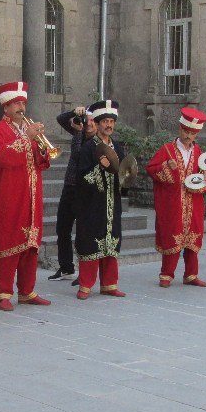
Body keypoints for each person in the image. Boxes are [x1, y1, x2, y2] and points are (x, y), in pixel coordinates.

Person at [0, 81, 52, 311]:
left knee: (30, 246)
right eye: (16, 103)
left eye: (23, 102)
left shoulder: (29, 129)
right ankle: (3, 293)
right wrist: (27, 138)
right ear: (5, 107)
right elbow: (0, 157)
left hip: (32, 196)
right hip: (8, 197)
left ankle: (27, 291)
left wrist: (43, 148)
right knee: (8, 242)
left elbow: (41, 163)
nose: (21, 107)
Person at [146, 107, 206, 288]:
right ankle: (166, 274)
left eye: (192, 133)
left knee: (193, 236)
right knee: (172, 235)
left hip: (194, 203)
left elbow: (202, 172)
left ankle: (191, 275)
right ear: (180, 129)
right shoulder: (167, 149)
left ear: (196, 135)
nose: (188, 136)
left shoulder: (199, 152)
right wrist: (166, 166)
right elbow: (151, 169)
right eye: (185, 131)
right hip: (172, 202)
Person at [74, 100, 126, 299]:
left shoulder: (117, 147)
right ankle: (85, 285)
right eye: (105, 121)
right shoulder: (88, 148)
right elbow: (81, 176)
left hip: (112, 202)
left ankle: (109, 284)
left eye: (112, 121)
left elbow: (124, 172)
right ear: (97, 123)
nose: (109, 125)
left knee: (111, 241)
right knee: (90, 242)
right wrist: (99, 167)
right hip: (92, 204)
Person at [48, 105, 96, 281]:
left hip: (84, 191)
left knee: (83, 232)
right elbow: (61, 119)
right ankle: (66, 267)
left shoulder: (96, 141)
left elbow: (78, 155)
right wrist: (76, 113)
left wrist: (77, 133)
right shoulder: (80, 130)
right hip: (69, 187)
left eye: (92, 120)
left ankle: (85, 272)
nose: (88, 123)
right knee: (62, 228)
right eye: (87, 119)